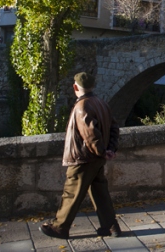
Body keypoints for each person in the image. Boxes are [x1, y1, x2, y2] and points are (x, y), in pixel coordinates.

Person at [40, 72, 122, 239]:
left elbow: (90, 133)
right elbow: (114, 128)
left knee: (72, 192)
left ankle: (60, 227)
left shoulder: (81, 107)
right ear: (92, 86)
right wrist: (109, 149)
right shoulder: (101, 103)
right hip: (97, 158)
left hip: (83, 157)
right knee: (100, 192)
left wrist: (100, 150)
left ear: (75, 87)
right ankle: (111, 226)